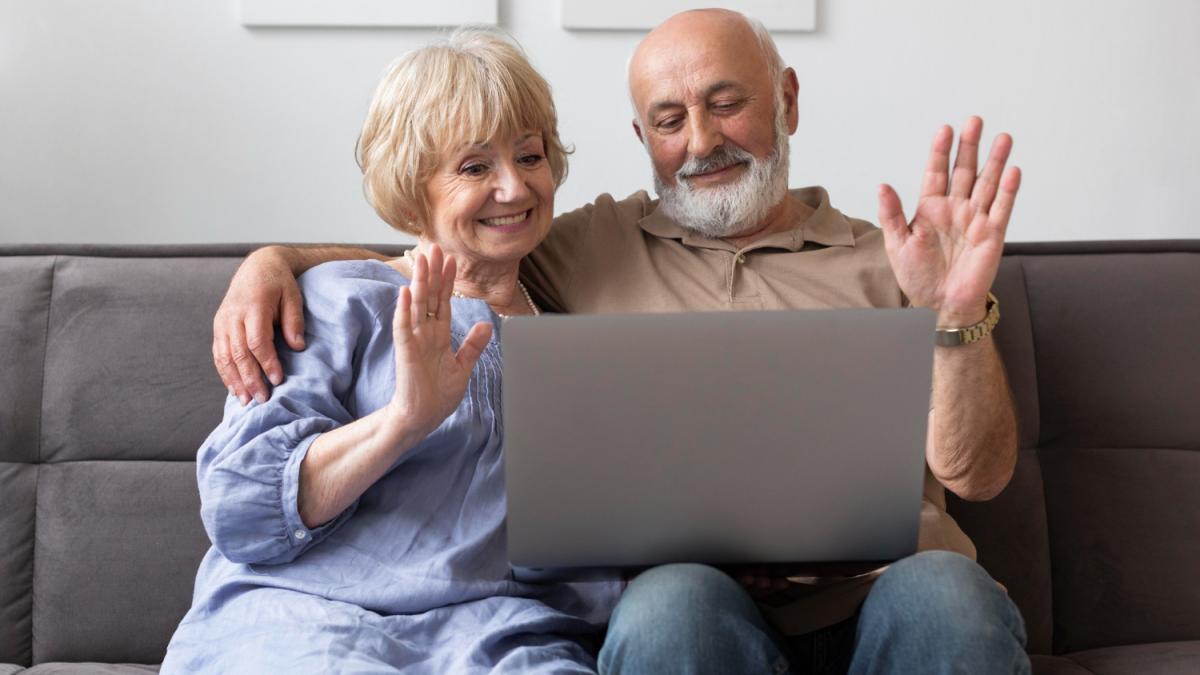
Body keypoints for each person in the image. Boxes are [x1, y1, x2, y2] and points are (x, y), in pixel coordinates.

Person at [211, 9, 1030, 674]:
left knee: (948, 594)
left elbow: (979, 473)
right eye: (670, 119)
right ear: (642, 141)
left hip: (887, 593)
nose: (702, 141)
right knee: (671, 602)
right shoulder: (584, 246)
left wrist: (952, 314)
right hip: (701, 613)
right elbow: (451, 250)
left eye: (727, 102)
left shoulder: (896, 258)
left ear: (787, 98)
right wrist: (274, 260)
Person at [162, 29, 623, 674]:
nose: (515, 189)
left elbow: (597, 563)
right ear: (415, 188)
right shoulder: (335, 301)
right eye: (474, 167)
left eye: (530, 156)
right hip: (307, 618)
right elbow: (244, 512)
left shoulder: (579, 337)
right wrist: (403, 420)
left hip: (500, 636)